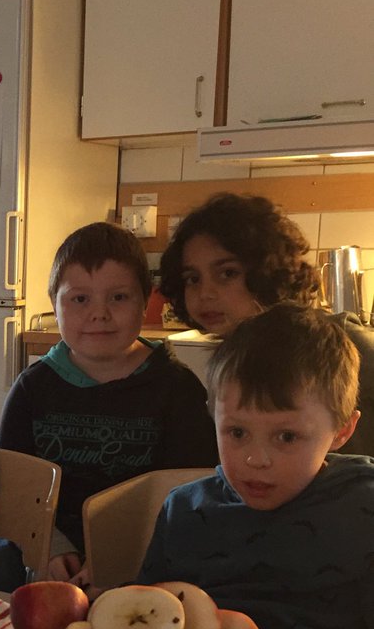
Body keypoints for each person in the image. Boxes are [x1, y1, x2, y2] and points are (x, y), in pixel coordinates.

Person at [138, 303, 374, 629]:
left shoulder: (363, 509)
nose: (256, 459)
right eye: (237, 432)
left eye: (286, 436)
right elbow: (152, 619)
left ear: (342, 430)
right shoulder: (184, 511)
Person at [0, 221, 218, 586]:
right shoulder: (32, 389)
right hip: (49, 569)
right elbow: (14, 489)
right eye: (80, 299)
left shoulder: (177, 389)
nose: (99, 313)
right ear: (55, 303)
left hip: (146, 568)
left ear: (145, 301)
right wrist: (49, 546)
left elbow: (188, 495)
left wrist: (119, 560)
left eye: (118, 297)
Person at [158, 191, 374, 454]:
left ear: (268, 271)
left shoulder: (344, 346)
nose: (205, 293)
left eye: (227, 273)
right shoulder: (234, 357)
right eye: (193, 278)